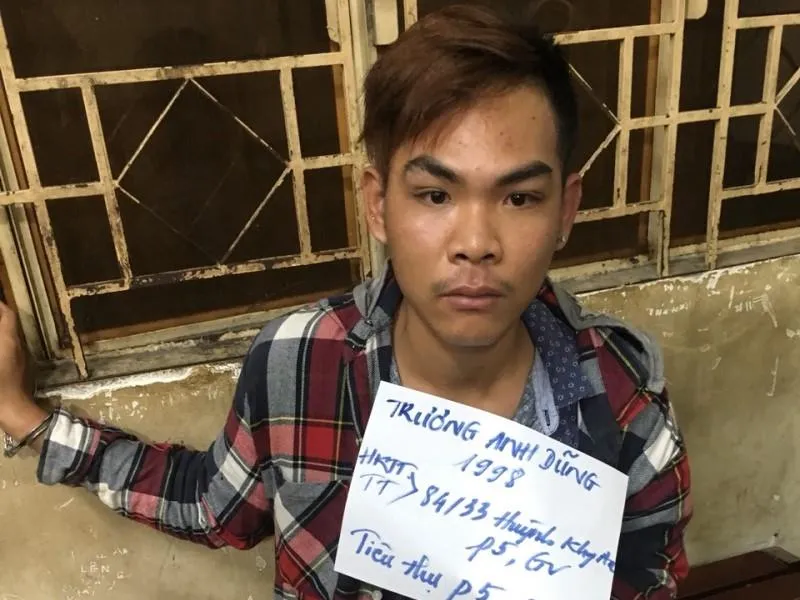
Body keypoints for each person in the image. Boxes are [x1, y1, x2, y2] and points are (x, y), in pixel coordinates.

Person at [0, 5, 691, 599]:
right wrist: (26, 418)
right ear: (378, 205)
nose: (476, 243)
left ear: (565, 210)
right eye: (435, 194)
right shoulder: (299, 365)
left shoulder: (622, 399)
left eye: (519, 197)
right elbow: (214, 506)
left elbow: (650, 578)